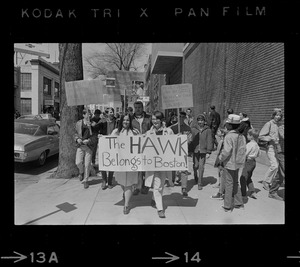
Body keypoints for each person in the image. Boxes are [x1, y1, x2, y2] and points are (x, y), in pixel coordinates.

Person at [144, 111, 174, 218]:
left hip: (164, 164)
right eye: (153, 119)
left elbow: (174, 145)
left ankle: (154, 199)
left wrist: (179, 138)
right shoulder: (148, 133)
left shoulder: (169, 131)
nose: (155, 121)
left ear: (161, 120)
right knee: (158, 186)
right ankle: (160, 209)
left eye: (157, 119)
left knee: (160, 185)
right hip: (153, 164)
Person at [111, 114, 140, 214]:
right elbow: (109, 143)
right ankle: (125, 193)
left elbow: (141, 142)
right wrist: (102, 138)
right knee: (122, 182)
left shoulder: (135, 132)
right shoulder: (116, 132)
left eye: (128, 120)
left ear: (130, 121)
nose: (126, 122)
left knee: (129, 183)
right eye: (124, 120)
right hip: (120, 163)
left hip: (132, 162)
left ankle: (126, 205)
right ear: (121, 121)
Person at [218, 114, 246, 211]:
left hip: (229, 163)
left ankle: (227, 205)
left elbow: (226, 151)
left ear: (229, 126)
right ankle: (239, 203)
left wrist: (220, 158)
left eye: (227, 124)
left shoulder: (229, 136)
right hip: (238, 163)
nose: (226, 125)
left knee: (229, 183)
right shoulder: (241, 136)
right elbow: (243, 150)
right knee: (235, 182)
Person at [258, 108, 283, 191]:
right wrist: (270, 138)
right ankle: (266, 181)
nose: (278, 117)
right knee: (274, 165)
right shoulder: (269, 124)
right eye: (276, 115)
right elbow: (261, 136)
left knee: (277, 166)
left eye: (279, 115)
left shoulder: (277, 125)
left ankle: (269, 181)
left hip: (277, 148)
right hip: (270, 147)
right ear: (273, 115)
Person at [131, 101, 152, 195]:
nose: (138, 109)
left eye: (139, 107)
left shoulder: (149, 118)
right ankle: (137, 186)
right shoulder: (131, 119)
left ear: (142, 108)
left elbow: (153, 129)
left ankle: (146, 185)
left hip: (147, 146)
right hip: (135, 146)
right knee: (137, 167)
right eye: (136, 107)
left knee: (146, 167)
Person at [170, 111, 192, 197]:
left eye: (183, 117)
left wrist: (183, 138)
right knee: (172, 167)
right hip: (173, 151)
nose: (181, 118)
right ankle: (172, 180)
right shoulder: (172, 128)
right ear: (177, 117)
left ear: (185, 118)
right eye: (180, 116)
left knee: (184, 169)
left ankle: (184, 187)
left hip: (183, 151)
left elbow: (190, 140)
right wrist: (176, 137)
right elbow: (168, 139)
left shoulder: (188, 128)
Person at [74, 109, 97, 189]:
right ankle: (81, 171)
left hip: (89, 146)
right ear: (83, 115)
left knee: (87, 164)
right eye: (87, 114)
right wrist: (77, 139)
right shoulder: (78, 123)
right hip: (80, 145)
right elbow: (75, 133)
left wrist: (89, 140)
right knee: (78, 162)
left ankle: (86, 180)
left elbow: (95, 136)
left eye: (90, 114)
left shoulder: (93, 124)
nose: (89, 116)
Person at [189, 114, 213, 190]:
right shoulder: (193, 129)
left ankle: (200, 183)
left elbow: (210, 140)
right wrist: (190, 150)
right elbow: (191, 140)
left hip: (203, 150)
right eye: (199, 120)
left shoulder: (208, 130)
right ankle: (195, 175)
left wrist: (209, 151)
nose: (200, 122)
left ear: (204, 121)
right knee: (196, 165)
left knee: (201, 167)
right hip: (195, 150)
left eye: (202, 120)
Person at [239, 128, 261, 202]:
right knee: (248, 178)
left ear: (251, 136)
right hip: (253, 162)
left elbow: (245, 153)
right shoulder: (257, 145)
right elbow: (259, 154)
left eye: (248, 135)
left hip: (248, 162)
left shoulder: (249, 144)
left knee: (243, 178)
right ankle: (252, 191)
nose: (247, 136)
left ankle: (243, 195)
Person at [99, 107, 117, 190]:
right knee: (103, 162)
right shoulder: (102, 121)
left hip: (113, 144)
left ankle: (109, 181)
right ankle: (104, 180)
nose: (111, 113)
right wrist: (99, 135)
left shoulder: (117, 121)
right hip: (104, 144)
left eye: (112, 112)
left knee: (111, 163)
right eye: (110, 112)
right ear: (106, 114)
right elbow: (96, 130)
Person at [268, 120, 284, 201]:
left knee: (280, 174)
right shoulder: (281, 128)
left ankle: (272, 191)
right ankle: (272, 192)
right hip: (282, 153)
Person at [211, 128, 227, 199]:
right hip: (223, 159)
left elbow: (218, 150)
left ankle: (221, 191)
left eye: (219, 131)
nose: (217, 132)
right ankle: (220, 185)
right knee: (220, 173)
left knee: (221, 173)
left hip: (221, 158)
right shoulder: (222, 140)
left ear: (222, 133)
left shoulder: (222, 141)